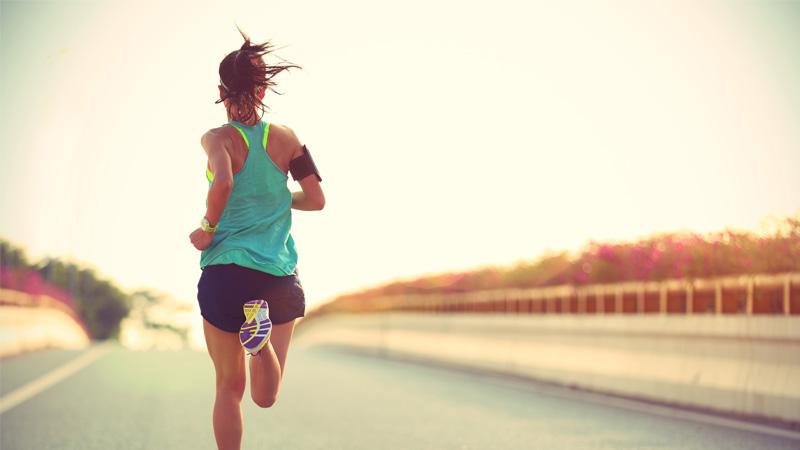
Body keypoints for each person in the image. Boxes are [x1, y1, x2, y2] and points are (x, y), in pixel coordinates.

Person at [189, 29, 324, 450]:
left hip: (226, 271)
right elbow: (317, 199)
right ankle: (260, 343)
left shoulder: (217, 138)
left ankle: (256, 341)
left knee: (229, 389)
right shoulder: (288, 139)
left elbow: (224, 182)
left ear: (220, 91)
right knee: (266, 396)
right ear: (264, 88)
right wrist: (280, 199)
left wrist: (207, 228)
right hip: (276, 277)